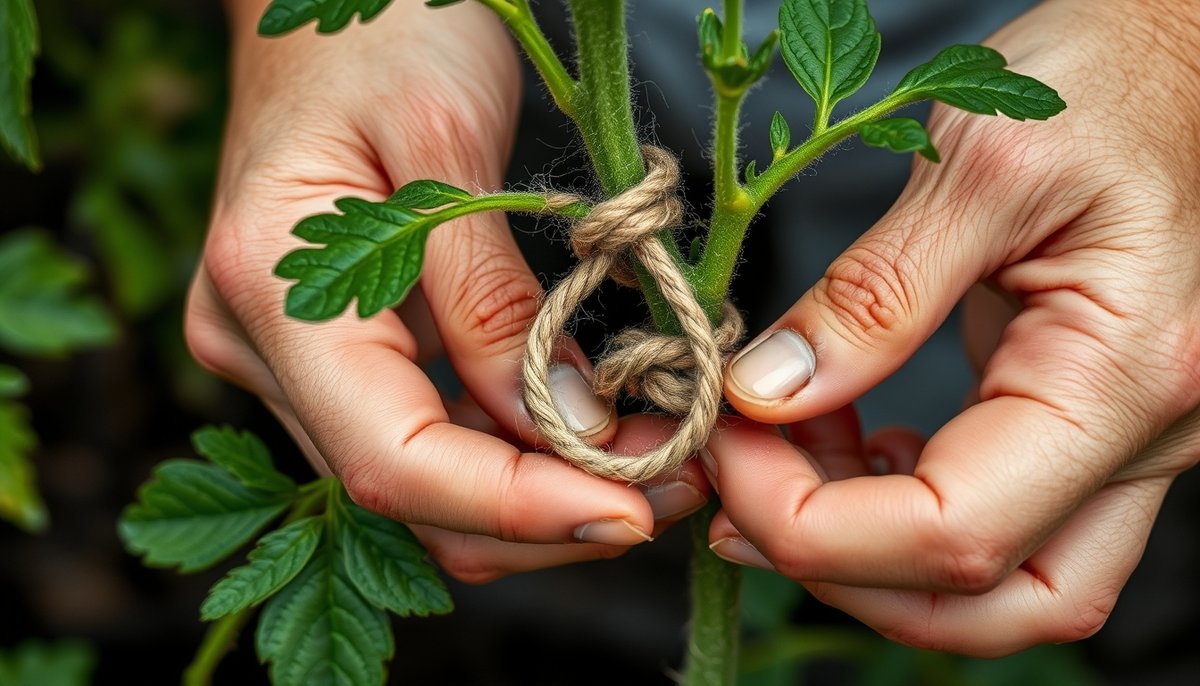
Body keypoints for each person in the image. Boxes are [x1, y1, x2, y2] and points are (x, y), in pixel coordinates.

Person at [187, 0, 1200, 657]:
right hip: (502, 60)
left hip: (1072, 96)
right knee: (467, 435)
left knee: (1030, 423)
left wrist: (1175, 49)